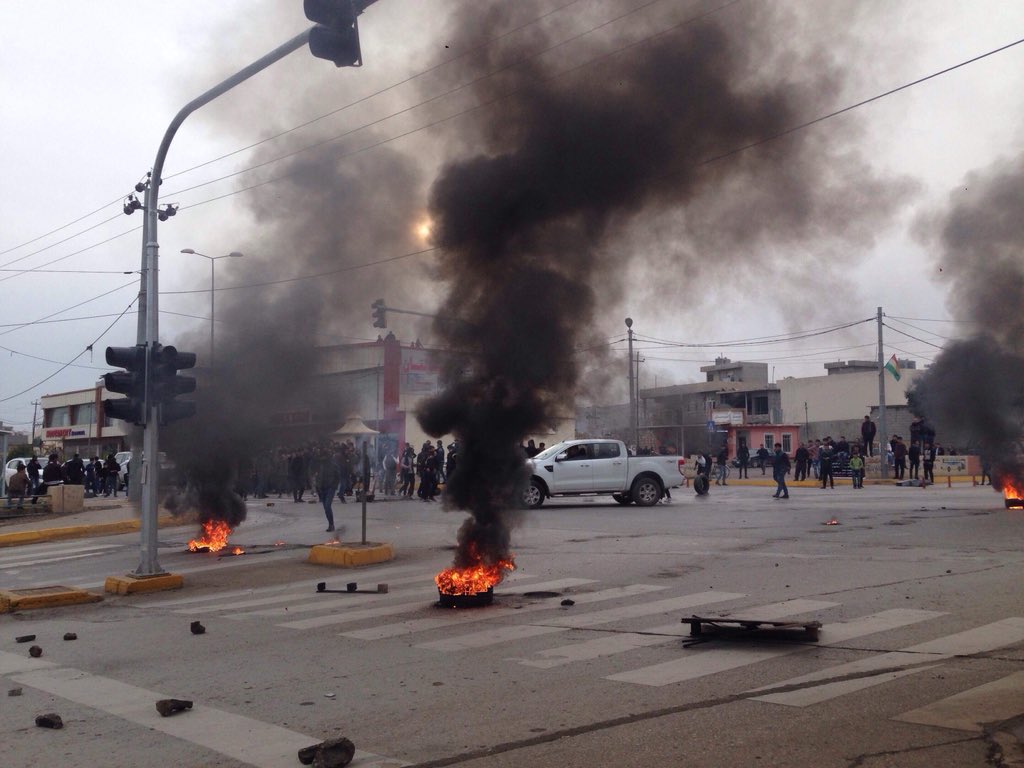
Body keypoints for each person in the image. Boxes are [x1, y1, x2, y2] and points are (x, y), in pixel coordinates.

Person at [313, 448, 342, 532]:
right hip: (322, 487)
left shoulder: (332, 465)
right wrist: (318, 486)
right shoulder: (320, 465)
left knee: (327, 506)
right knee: (326, 508)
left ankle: (331, 524)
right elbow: (318, 476)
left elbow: (337, 476)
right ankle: (330, 524)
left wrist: (334, 486)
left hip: (330, 487)